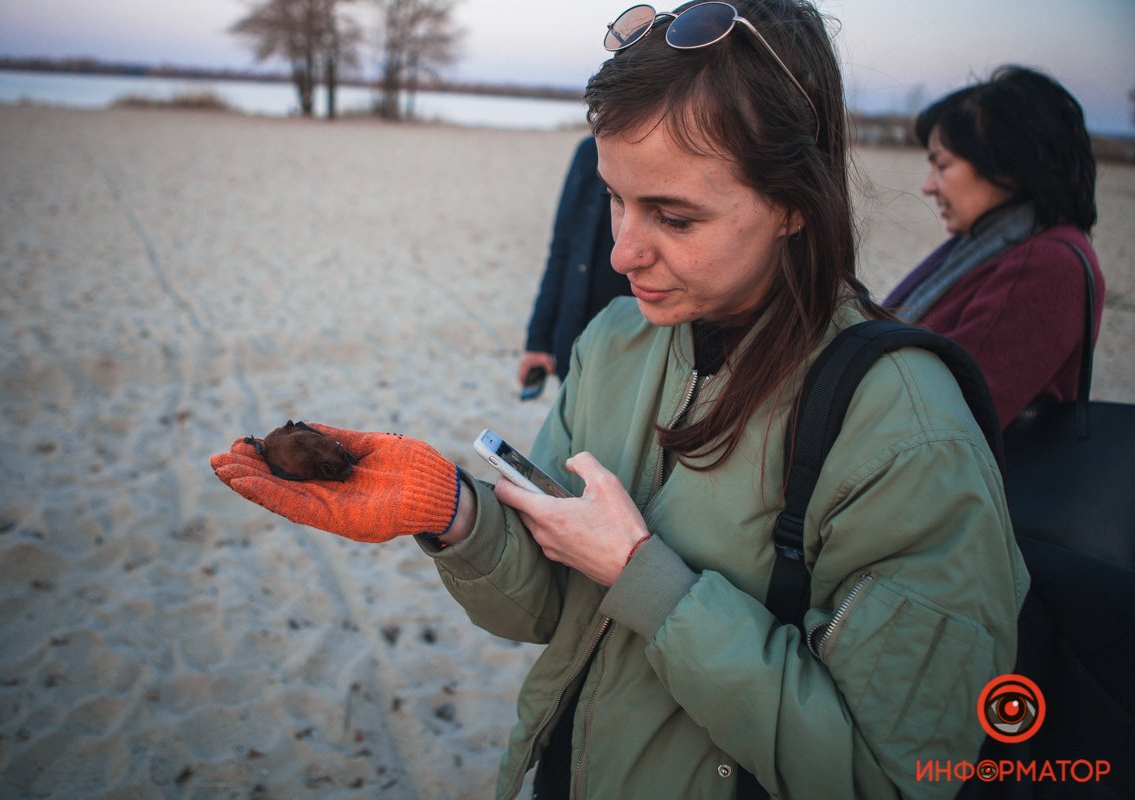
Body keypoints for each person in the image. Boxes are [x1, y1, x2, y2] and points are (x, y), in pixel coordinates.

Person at [212, 2, 1028, 797]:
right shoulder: (614, 342)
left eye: (672, 216)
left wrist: (647, 578)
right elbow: (549, 610)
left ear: (792, 204)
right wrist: (452, 510)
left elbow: (891, 773)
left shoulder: (909, 437)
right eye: (615, 197)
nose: (622, 251)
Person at [885, 65, 1105, 428]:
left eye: (942, 165)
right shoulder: (986, 245)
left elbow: (945, 414)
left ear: (1006, 166)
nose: (928, 186)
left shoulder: (1048, 265)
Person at [519, 135, 630, 388]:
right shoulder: (589, 151)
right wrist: (538, 340)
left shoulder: (670, 155)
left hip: (634, 346)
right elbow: (562, 248)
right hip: (573, 341)